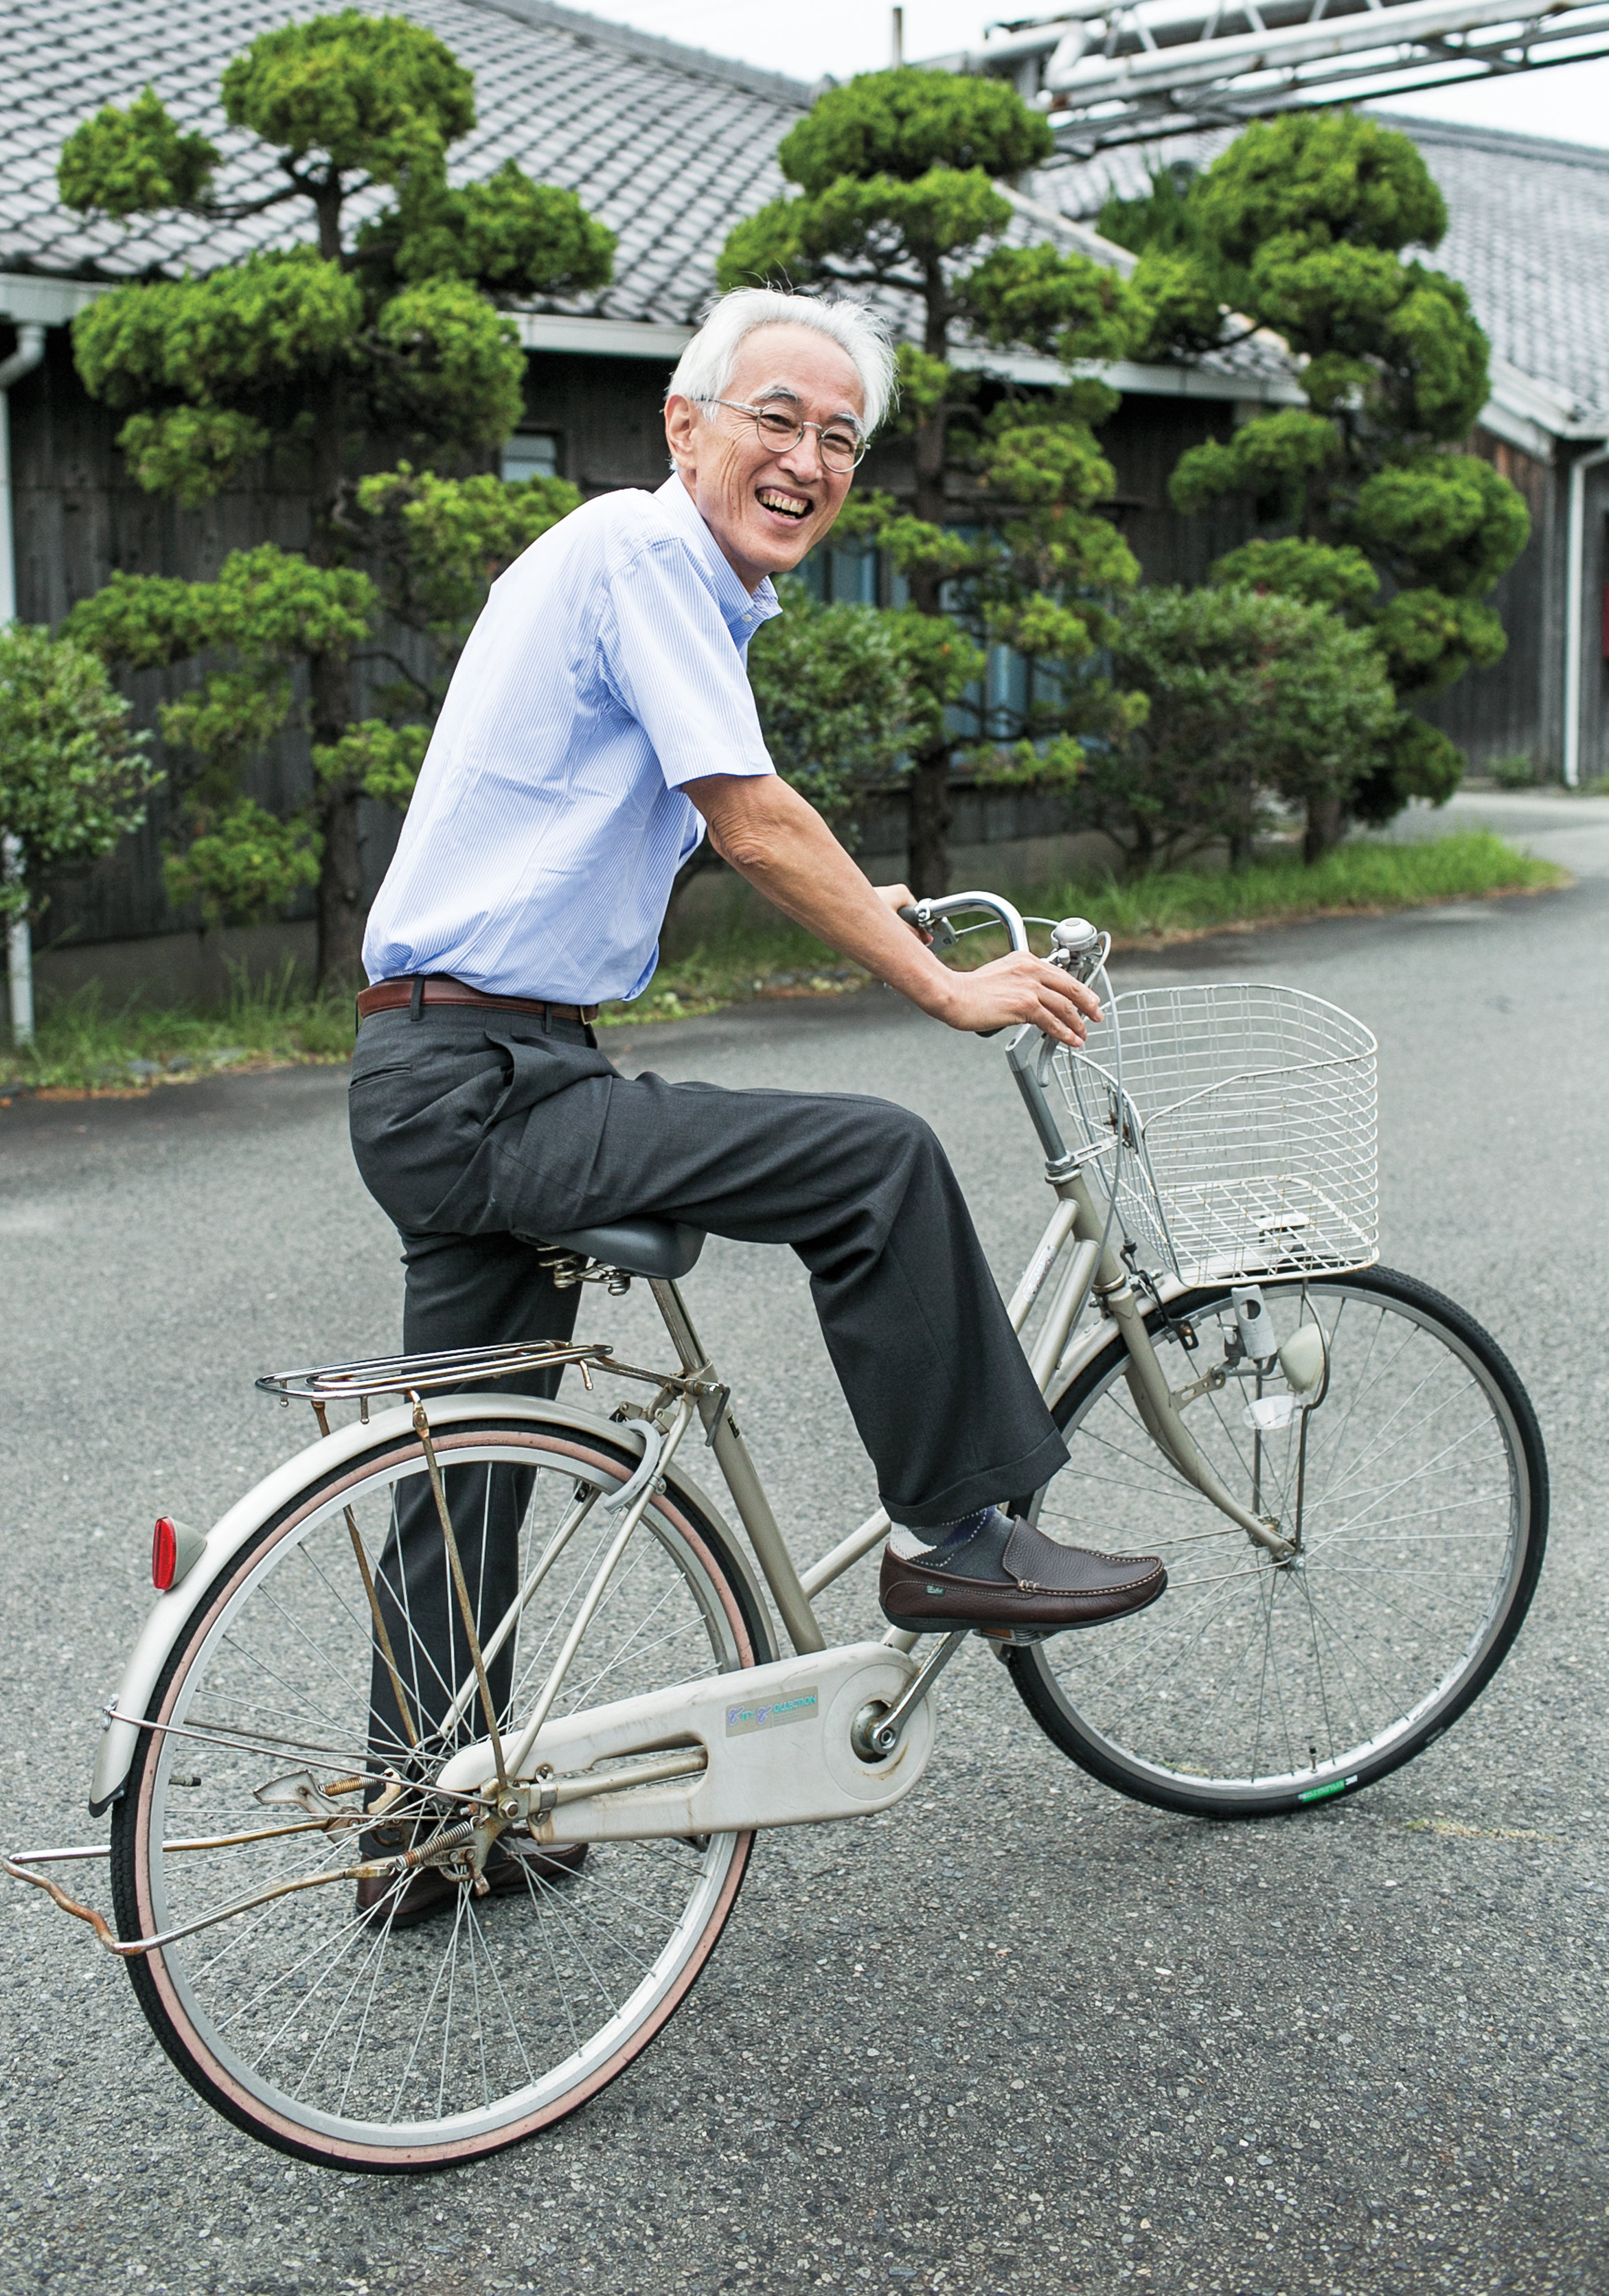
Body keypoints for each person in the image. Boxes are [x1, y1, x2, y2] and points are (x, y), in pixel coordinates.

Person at [347, 286, 1165, 1920]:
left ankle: (414, 1823)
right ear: (684, 426)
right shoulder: (644, 553)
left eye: (838, 438)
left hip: (438, 1069)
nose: (805, 459)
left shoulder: (654, 582)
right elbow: (742, 809)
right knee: (873, 1160)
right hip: (495, 1078)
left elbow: (688, 817)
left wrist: (875, 901)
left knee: (468, 1458)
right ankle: (958, 1532)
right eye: (772, 420)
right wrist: (938, 985)